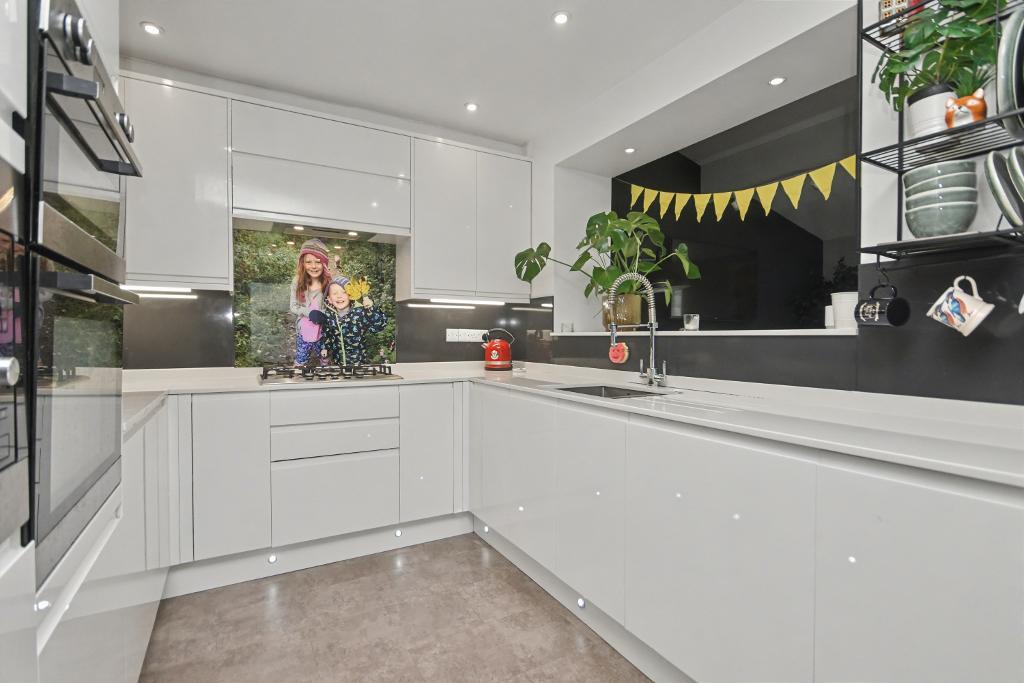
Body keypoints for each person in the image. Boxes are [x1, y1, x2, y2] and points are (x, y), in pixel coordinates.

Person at [320, 275, 387, 366]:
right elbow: (327, 333)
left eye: (344, 292)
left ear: (351, 295)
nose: (339, 296)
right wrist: (325, 347)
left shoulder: (360, 313)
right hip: (338, 362)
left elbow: (379, 326)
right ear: (329, 299)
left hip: (358, 362)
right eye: (335, 293)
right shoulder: (329, 316)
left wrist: (371, 309)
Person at [289, 238, 333, 364]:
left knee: (325, 358)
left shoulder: (328, 283)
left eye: (318, 262)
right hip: (304, 331)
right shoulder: (297, 281)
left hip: (323, 332)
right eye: (308, 262)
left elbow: (333, 306)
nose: (313, 266)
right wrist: (309, 312)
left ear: (324, 264)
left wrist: (324, 315)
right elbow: (293, 306)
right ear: (302, 263)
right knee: (301, 360)